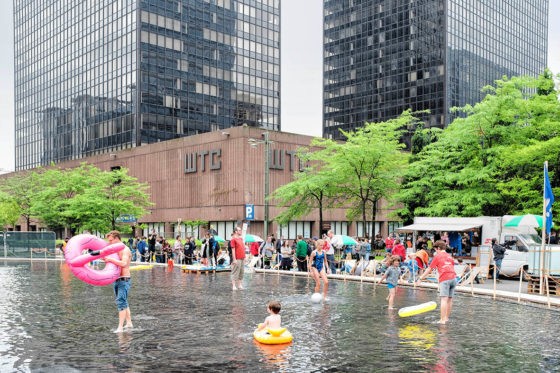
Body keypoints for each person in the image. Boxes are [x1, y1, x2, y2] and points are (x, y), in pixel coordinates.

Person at [416, 240, 456, 324]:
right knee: (450, 299)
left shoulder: (438, 256)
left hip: (445, 278)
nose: (435, 251)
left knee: (444, 300)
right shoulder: (449, 256)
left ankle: (442, 320)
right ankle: (446, 318)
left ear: (438, 248)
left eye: (435, 250)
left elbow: (429, 269)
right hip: (453, 278)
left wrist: (420, 278)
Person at [103, 230, 133, 333]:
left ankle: (120, 327)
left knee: (121, 302)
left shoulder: (125, 249)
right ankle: (129, 323)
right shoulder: (114, 251)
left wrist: (110, 260)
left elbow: (124, 263)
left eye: (111, 240)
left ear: (116, 238)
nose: (109, 242)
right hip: (116, 279)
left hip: (124, 279)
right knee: (123, 301)